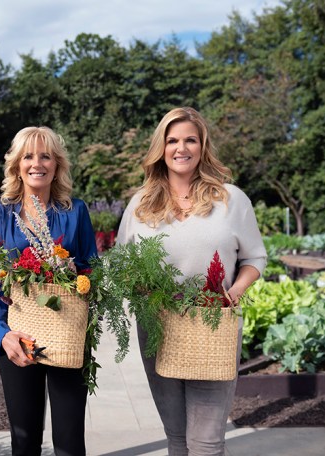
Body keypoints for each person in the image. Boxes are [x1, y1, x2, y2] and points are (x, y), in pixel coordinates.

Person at [116, 107, 267, 456]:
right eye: (172, 140)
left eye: (190, 140)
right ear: (161, 148)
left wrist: (235, 291)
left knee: (207, 442)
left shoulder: (230, 199)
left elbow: (255, 257)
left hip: (213, 325)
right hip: (157, 327)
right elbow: (122, 262)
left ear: (202, 146)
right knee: (178, 439)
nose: (180, 148)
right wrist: (137, 285)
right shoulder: (141, 204)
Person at [0, 126, 97, 456]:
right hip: (19, 338)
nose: (37, 163)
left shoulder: (75, 212)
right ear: (17, 164)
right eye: (28, 156)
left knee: (70, 442)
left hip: (67, 336)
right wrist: (1, 334)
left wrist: (78, 275)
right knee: (25, 440)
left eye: (45, 155)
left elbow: (93, 268)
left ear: (57, 164)